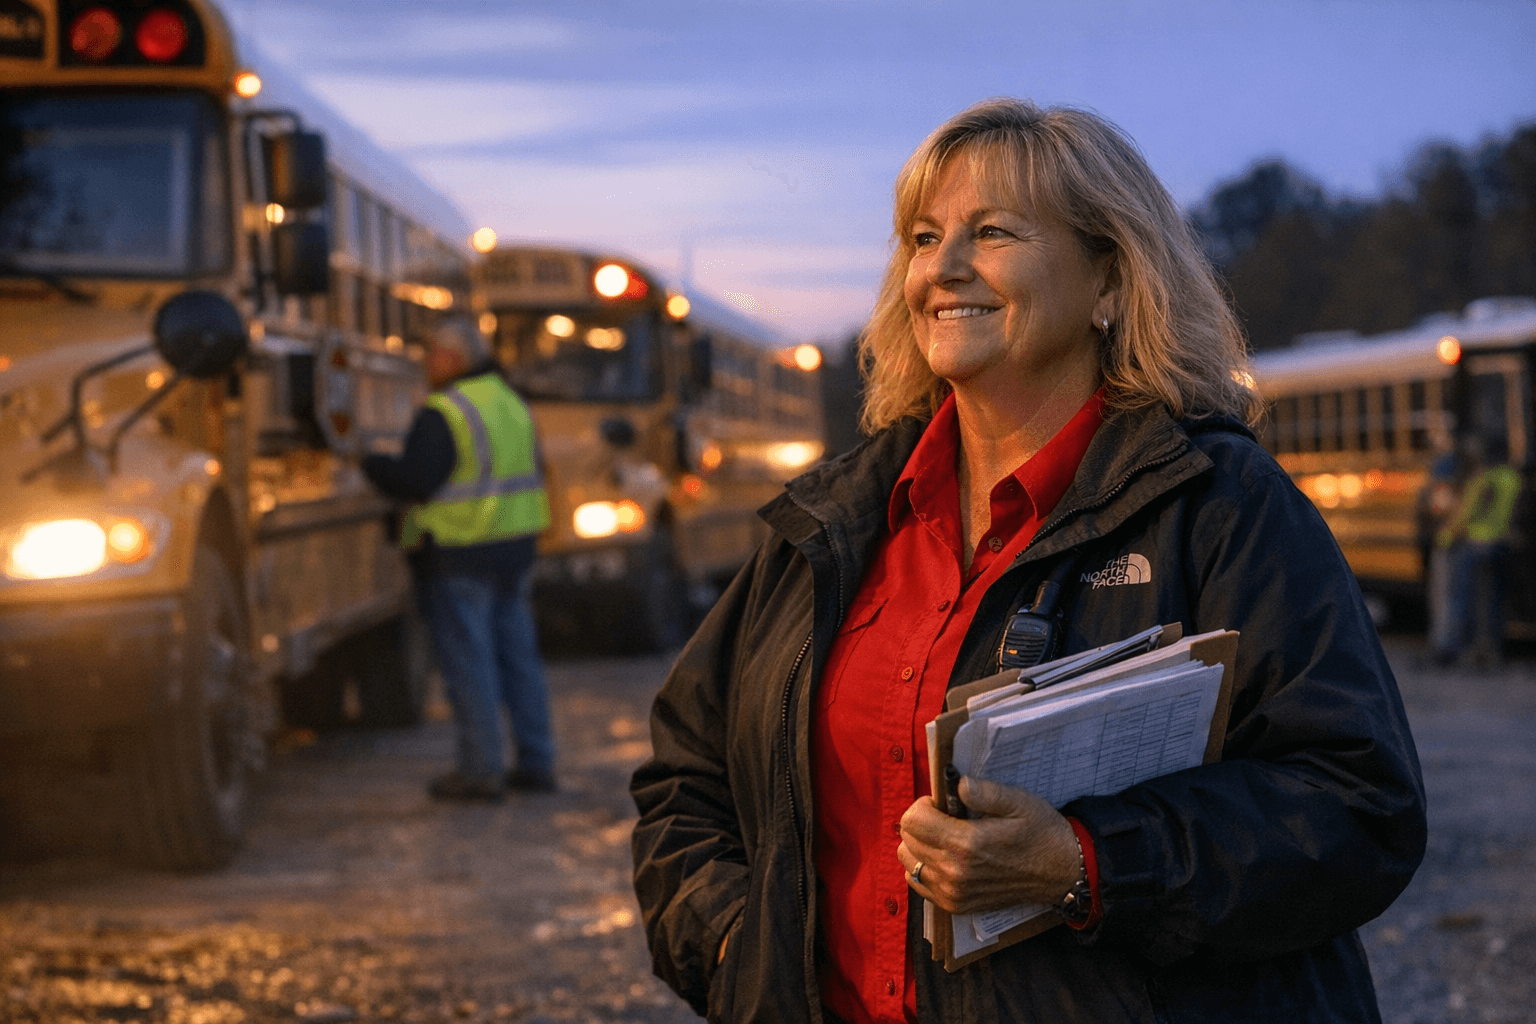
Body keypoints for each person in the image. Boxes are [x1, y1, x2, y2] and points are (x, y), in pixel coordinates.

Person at [630, 98, 1425, 1023]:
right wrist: (736, 948)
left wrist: (1089, 865)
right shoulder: (833, 523)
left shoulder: (1220, 508)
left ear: (1110, 284)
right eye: (923, 239)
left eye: (993, 232)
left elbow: (1358, 806)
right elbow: (683, 776)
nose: (944, 268)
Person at [364, 316, 556, 800]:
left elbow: (414, 480)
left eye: (431, 353)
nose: (426, 363)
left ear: (452, 358)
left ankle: (480, 771)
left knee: (470, 666)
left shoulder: (446, 411)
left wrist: (368, 462)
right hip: (515, 550)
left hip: (461, 554)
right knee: (520, 660)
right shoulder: (512, 402)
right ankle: (537, 762)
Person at [1433, 434, 1521, 667]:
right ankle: (1493, 650)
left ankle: (1454, 650)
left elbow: (1466, 512)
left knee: (1460, 599)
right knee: (1493, 602)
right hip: (1501, 546)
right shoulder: (1512, 478)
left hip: (1474, 545)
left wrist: (1446, 538)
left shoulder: (1485, 478)